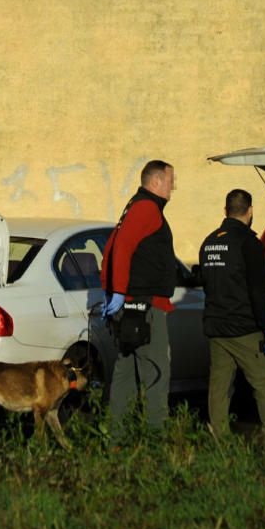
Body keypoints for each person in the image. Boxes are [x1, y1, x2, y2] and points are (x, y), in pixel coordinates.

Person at [100, 160, 177, 442]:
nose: (174, 186)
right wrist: (117, 290)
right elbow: (122, 247)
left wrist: (112, 291)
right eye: (171, 180)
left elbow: (111, 247)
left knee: (125, 373)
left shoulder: (134, 206)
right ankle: (157, 439)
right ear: (156, 182)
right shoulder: (147, 208)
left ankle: (116, 438)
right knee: (156, 372)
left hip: (130, 307)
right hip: (145, 307)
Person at [199, 189, 265, 437]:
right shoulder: (249, 243)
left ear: (225, 211)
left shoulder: (209, 242)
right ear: (250, 211)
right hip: (245, 329)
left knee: (219, 388)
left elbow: (207, 283)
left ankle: (219, 440)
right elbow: (258, 291)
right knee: (263, 385)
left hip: (216, 328)